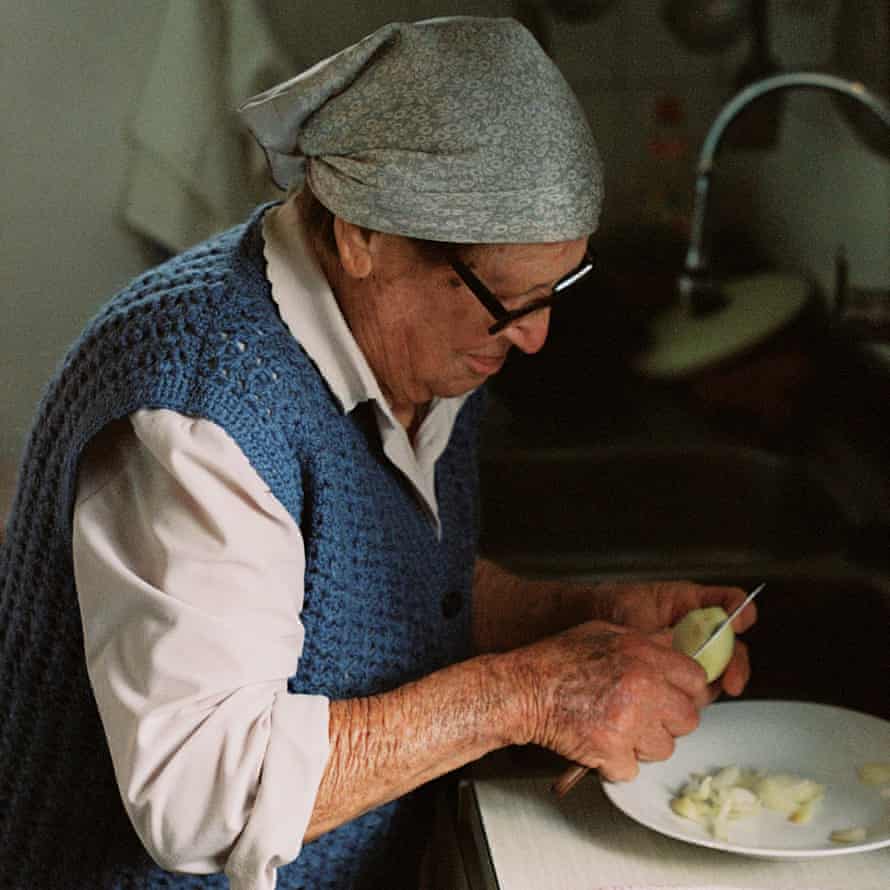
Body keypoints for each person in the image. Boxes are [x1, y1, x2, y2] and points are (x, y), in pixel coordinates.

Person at [0, 17, 756, 890]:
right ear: (363, 237)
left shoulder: (424, 337)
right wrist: (535, 691)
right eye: (506, 297)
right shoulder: (201, 408)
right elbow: (203, 797)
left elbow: (374, 587)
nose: (537, 335)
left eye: (556, 290)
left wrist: (582, 613)